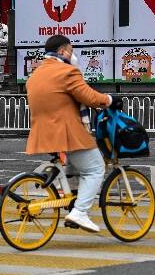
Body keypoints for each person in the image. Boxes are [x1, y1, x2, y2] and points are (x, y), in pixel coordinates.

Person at [25, 35, 114, 233]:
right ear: (62, 52)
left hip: (42, 133)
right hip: (67, 132)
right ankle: (80, 212)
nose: (73, 56)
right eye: (71, 51)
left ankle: (73, 199)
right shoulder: (67, 71)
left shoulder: (36, 75)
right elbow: (89, 97)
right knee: (95, 169)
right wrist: (109, 99)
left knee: (77, 167)